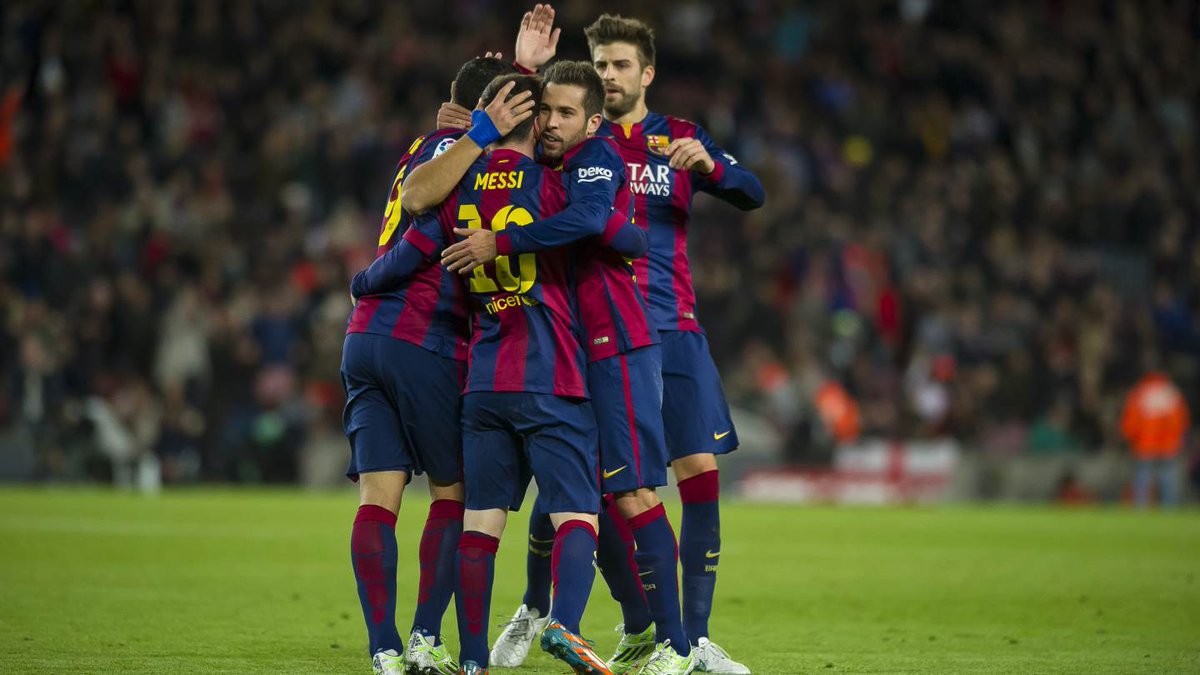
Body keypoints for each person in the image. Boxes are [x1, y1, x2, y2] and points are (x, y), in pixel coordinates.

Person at [429, 57, 695, 674]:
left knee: (632, 492)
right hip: (566, 353)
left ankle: (678, 645)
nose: (550, 122)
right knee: (571, 492)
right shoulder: (548, 170)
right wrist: (473, 121)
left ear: (593, 121)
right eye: (544, 110)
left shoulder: (592, 157)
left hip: (616, 344)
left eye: (565, 113)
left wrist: (500, 239)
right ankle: (559, 613)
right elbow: (611, 229)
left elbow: (595, 221)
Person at [584, 14, 764, 674]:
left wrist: (711, 165)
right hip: (605, 331)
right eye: (600, 64)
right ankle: (646, 626)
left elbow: (753, 191)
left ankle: (696, 638)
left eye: (620, 65)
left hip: (675, 327)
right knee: (604, 491)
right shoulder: (583, 138)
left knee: (700, 473)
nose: (609, 75)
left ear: (647, 73)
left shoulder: (681, 137)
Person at [341, 58, 531, 675]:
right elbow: (425, 214)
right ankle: (424, 636)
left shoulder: (422, 146)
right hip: (425, 337)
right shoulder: (462, 151)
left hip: (365, 336)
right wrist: (481, 130)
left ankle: (383, 649)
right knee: (456, 493)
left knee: (378, 497)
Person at [1120, 369, 1190, 508]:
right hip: (1168, 443)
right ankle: (1169, 507)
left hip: (1145, 443)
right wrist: (1176, 438)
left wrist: (1130, 437)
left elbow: (1131, 420)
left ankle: (1141, 507)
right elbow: (1181, 420)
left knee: (1143, 476)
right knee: (1167, 476)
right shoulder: (1171, 393)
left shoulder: (1140, 392)